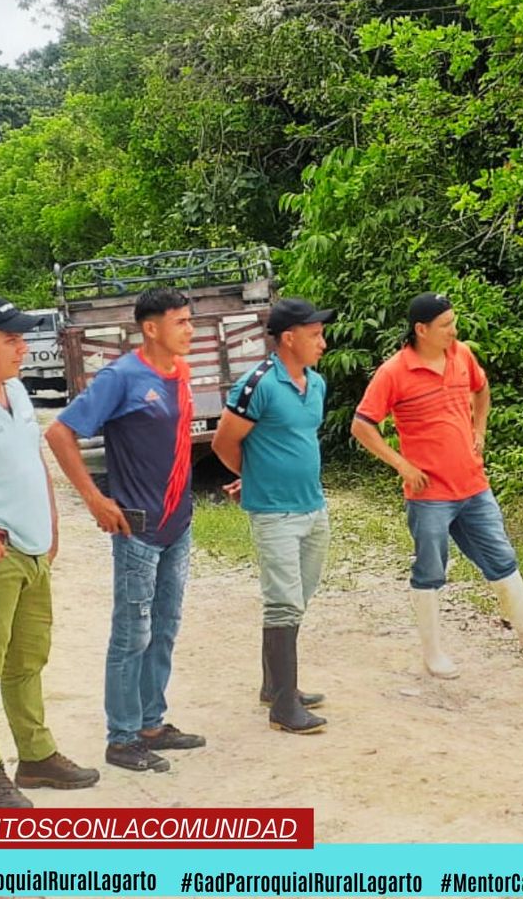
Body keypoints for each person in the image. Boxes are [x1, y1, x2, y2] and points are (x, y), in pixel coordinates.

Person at [350, 292, 523, 678]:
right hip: (429, 493)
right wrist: (401, 465)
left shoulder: (462, 355)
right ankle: (433, 653)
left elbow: (481, 389)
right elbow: (362, 425)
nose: (454, 330)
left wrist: (479, 430)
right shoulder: (394, 372)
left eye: (454, 322)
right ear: (421, 330)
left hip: (473, 484)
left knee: (501, 556)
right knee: (431, 569)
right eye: (446, 325)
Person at [45, 287, 205, 773]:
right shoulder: (122, 377)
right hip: (137, 528)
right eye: (181, 322)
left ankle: (151, 723)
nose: (190, 329)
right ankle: (122, 737)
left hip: (177, 523)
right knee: (132, 633)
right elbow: (59, 432)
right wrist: (94, 498)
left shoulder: (180, 371)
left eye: (190, 320)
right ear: (151, 328)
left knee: (165, 627)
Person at [0, 298, 101, 807]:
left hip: (34, 549)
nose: (24, 348)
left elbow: (32, 457)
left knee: (29, 659)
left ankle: (36, 755)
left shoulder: (15, 389)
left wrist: (51, 520)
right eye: (12, 339)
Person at [211, 298, 333, 735]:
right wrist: (255, 478)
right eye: (315, 334)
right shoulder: (257, 384)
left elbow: (298, 439)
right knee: (283, 600)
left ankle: (275, 686)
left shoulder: (315, 383)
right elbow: (224, 443)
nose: (323, 342)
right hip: (274, 513)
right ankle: (284, 706)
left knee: (299, 596)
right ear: (288, 338)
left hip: (313, 507)